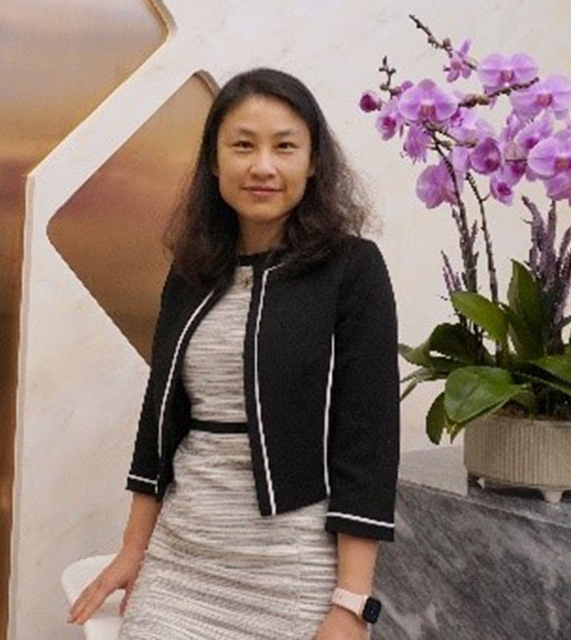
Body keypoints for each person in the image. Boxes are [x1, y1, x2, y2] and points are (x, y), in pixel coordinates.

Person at [66, 67, 399, 639]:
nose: (263, 166)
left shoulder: (351, 268)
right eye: (243, 146)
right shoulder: (192, 271)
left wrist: (350, 604)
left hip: (291, 565)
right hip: (183, 557)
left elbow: (366, 440)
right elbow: (161, 419)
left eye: (284, 147)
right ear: (215, 162)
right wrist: (133, 549)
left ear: (313, 162)